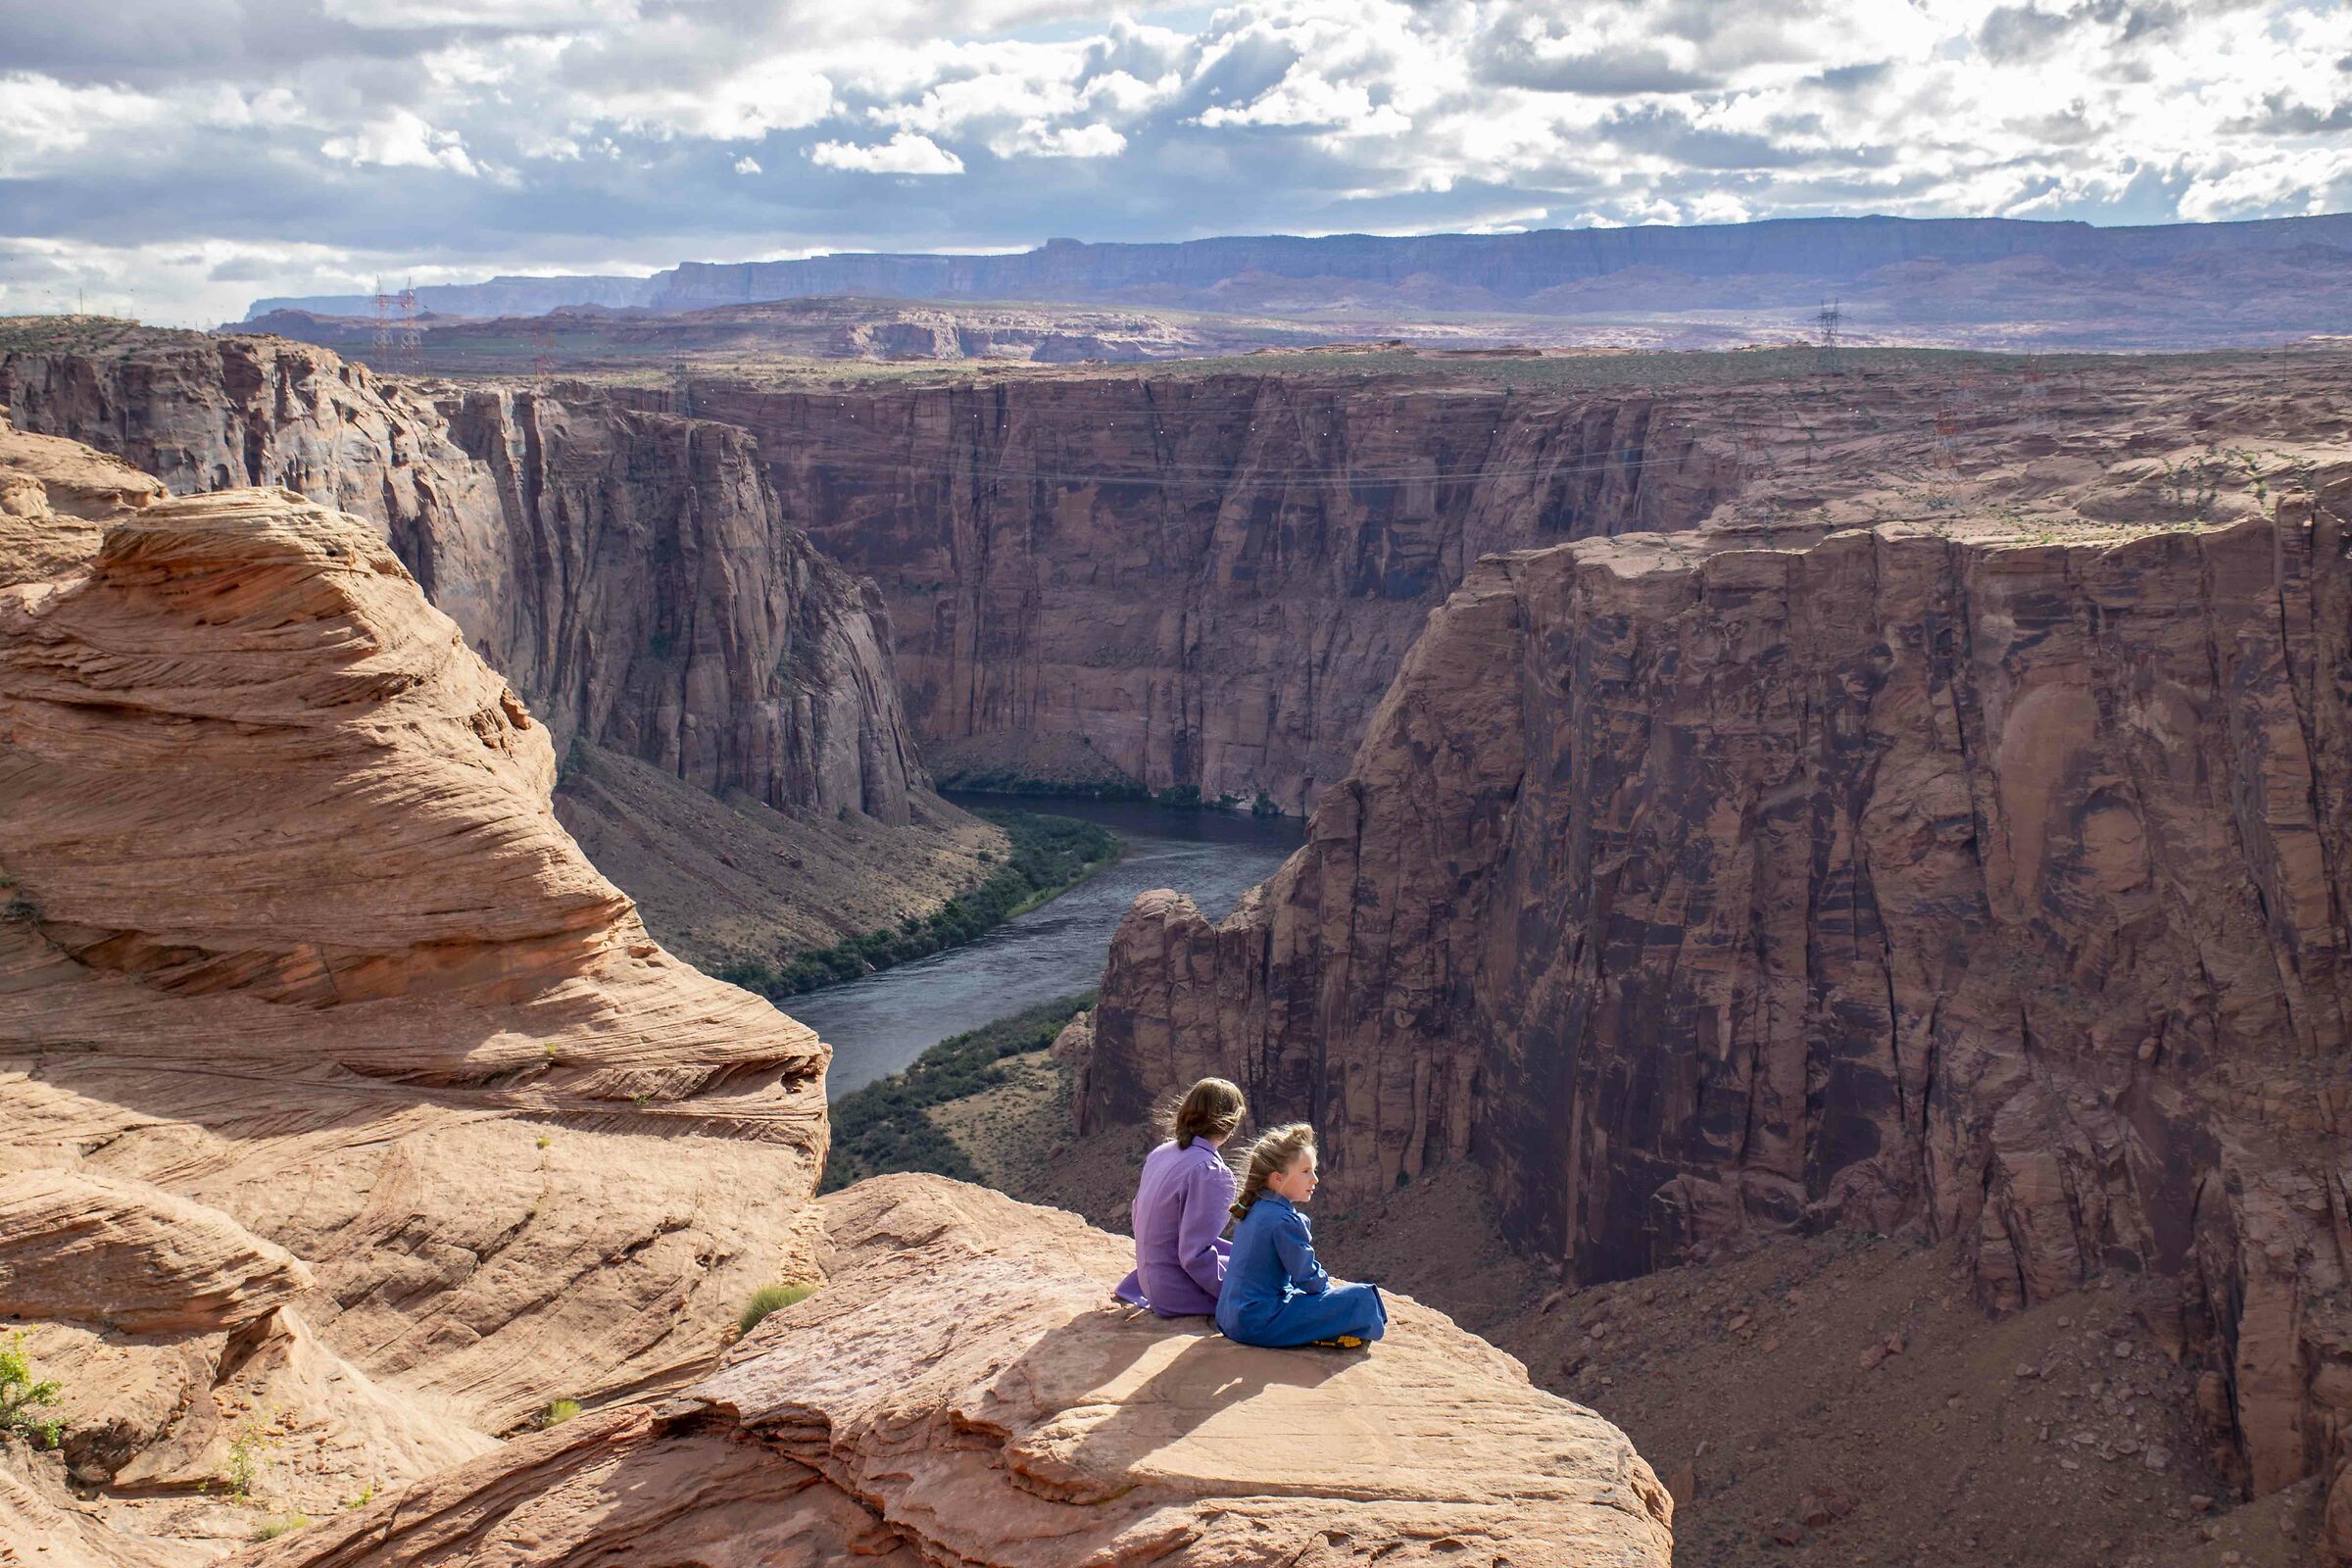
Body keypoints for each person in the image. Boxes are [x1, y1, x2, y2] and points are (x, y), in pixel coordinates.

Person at [1214, 1122, 1387, 1348]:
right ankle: (1328, 1332)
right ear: (1277, 1178)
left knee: (1303, 1298)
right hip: (1257, 1323)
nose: (1314, 1179)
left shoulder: (1253, 1208)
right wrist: (1329, 1301)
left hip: (1230, 1318)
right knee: (1362, 1299)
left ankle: (1318, 1330)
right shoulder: (1284, 1221)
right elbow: (1309, 1279)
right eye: (1306, 1172)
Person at [1113, 1077, 1247, 1316]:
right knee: (1262, 1279)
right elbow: (1194, 1256)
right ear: (1230, 1122)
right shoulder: (1210, 1172)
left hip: (1148, 1280)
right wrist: (1238, 1293)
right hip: (1174, 1292)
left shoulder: (1162, 1152)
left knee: (1247, 1258)